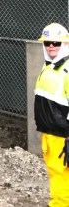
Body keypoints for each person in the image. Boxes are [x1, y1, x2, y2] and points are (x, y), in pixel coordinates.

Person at [35, 22, 69, 206]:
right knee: (55, 172)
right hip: (49, 133)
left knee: (61, 174)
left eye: (56, 42)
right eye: (47, 42)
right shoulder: (48, 66)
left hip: (61, 136)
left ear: (65, 44)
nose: (51, 46)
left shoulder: (66, 70)